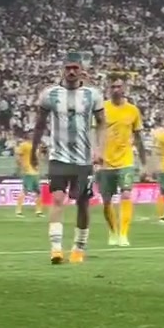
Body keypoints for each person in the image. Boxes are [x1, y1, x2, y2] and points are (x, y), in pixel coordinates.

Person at [30, 53, 106, 264]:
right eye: (68, 68)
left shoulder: (92, 95)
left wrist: (99, 149)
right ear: (62, 70)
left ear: (81, 70)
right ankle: (56, 249)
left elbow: (102, 122)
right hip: (58, 157)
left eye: (75, 68)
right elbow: (39, 124)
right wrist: (33, 150)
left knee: (82, 203)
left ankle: (78, 248)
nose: (71, 71)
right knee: (57, 199)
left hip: (83, 159)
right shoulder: (50, 94)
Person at [99, 78, 146, 247]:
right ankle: (113, 231)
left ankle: (123, 235)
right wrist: (94, 153)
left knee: (126, 194)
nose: (116, 89)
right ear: (108, 88)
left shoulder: (133, 110)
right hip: (105, 162)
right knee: (106, 200)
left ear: (124, 88)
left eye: (119, 86)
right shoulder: (101, 108)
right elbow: (94, 132)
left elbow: (138, 137)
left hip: (126, 160)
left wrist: (144, 163)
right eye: (113, 86)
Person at [13, 134, 45, 218]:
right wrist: (21, 166)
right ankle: (18, 211)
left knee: (37, 192)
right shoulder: (25, 145)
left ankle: (38, 211)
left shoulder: (33, 146)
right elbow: (18, 156)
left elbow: (38, 158)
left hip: (34, 172)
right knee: (25, 191)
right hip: (29, 171)